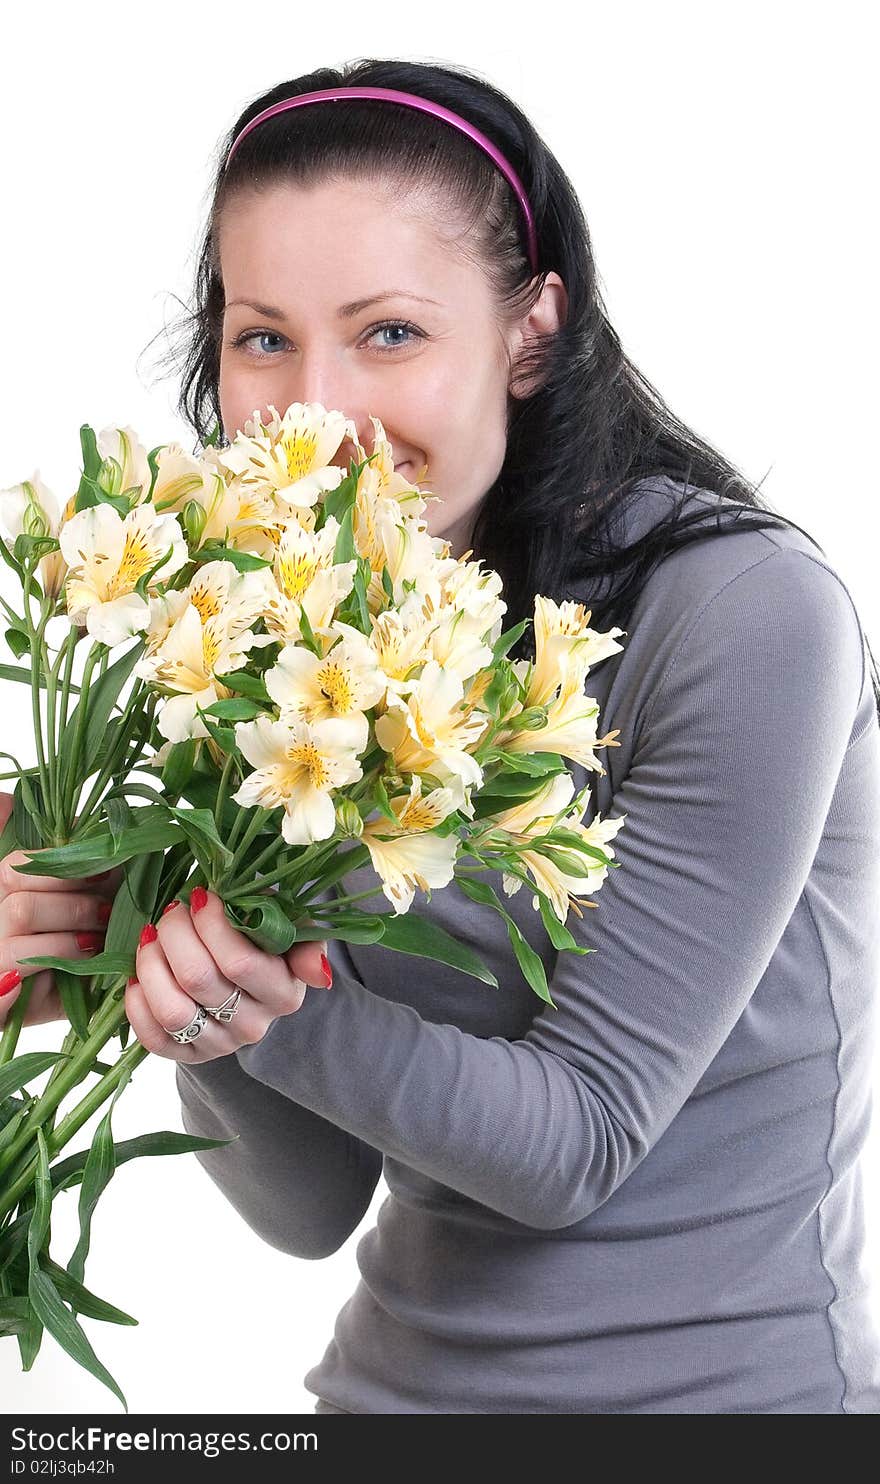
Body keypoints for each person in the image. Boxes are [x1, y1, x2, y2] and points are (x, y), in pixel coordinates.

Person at [3, 57, 880, 1414]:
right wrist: (153, 976)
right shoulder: (287, 650)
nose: (319, 412)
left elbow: (573, 1142)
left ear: (532, 331)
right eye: (262, 338)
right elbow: (303, 1211)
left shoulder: (744, 611)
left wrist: (255, 1002)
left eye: (392, 334)